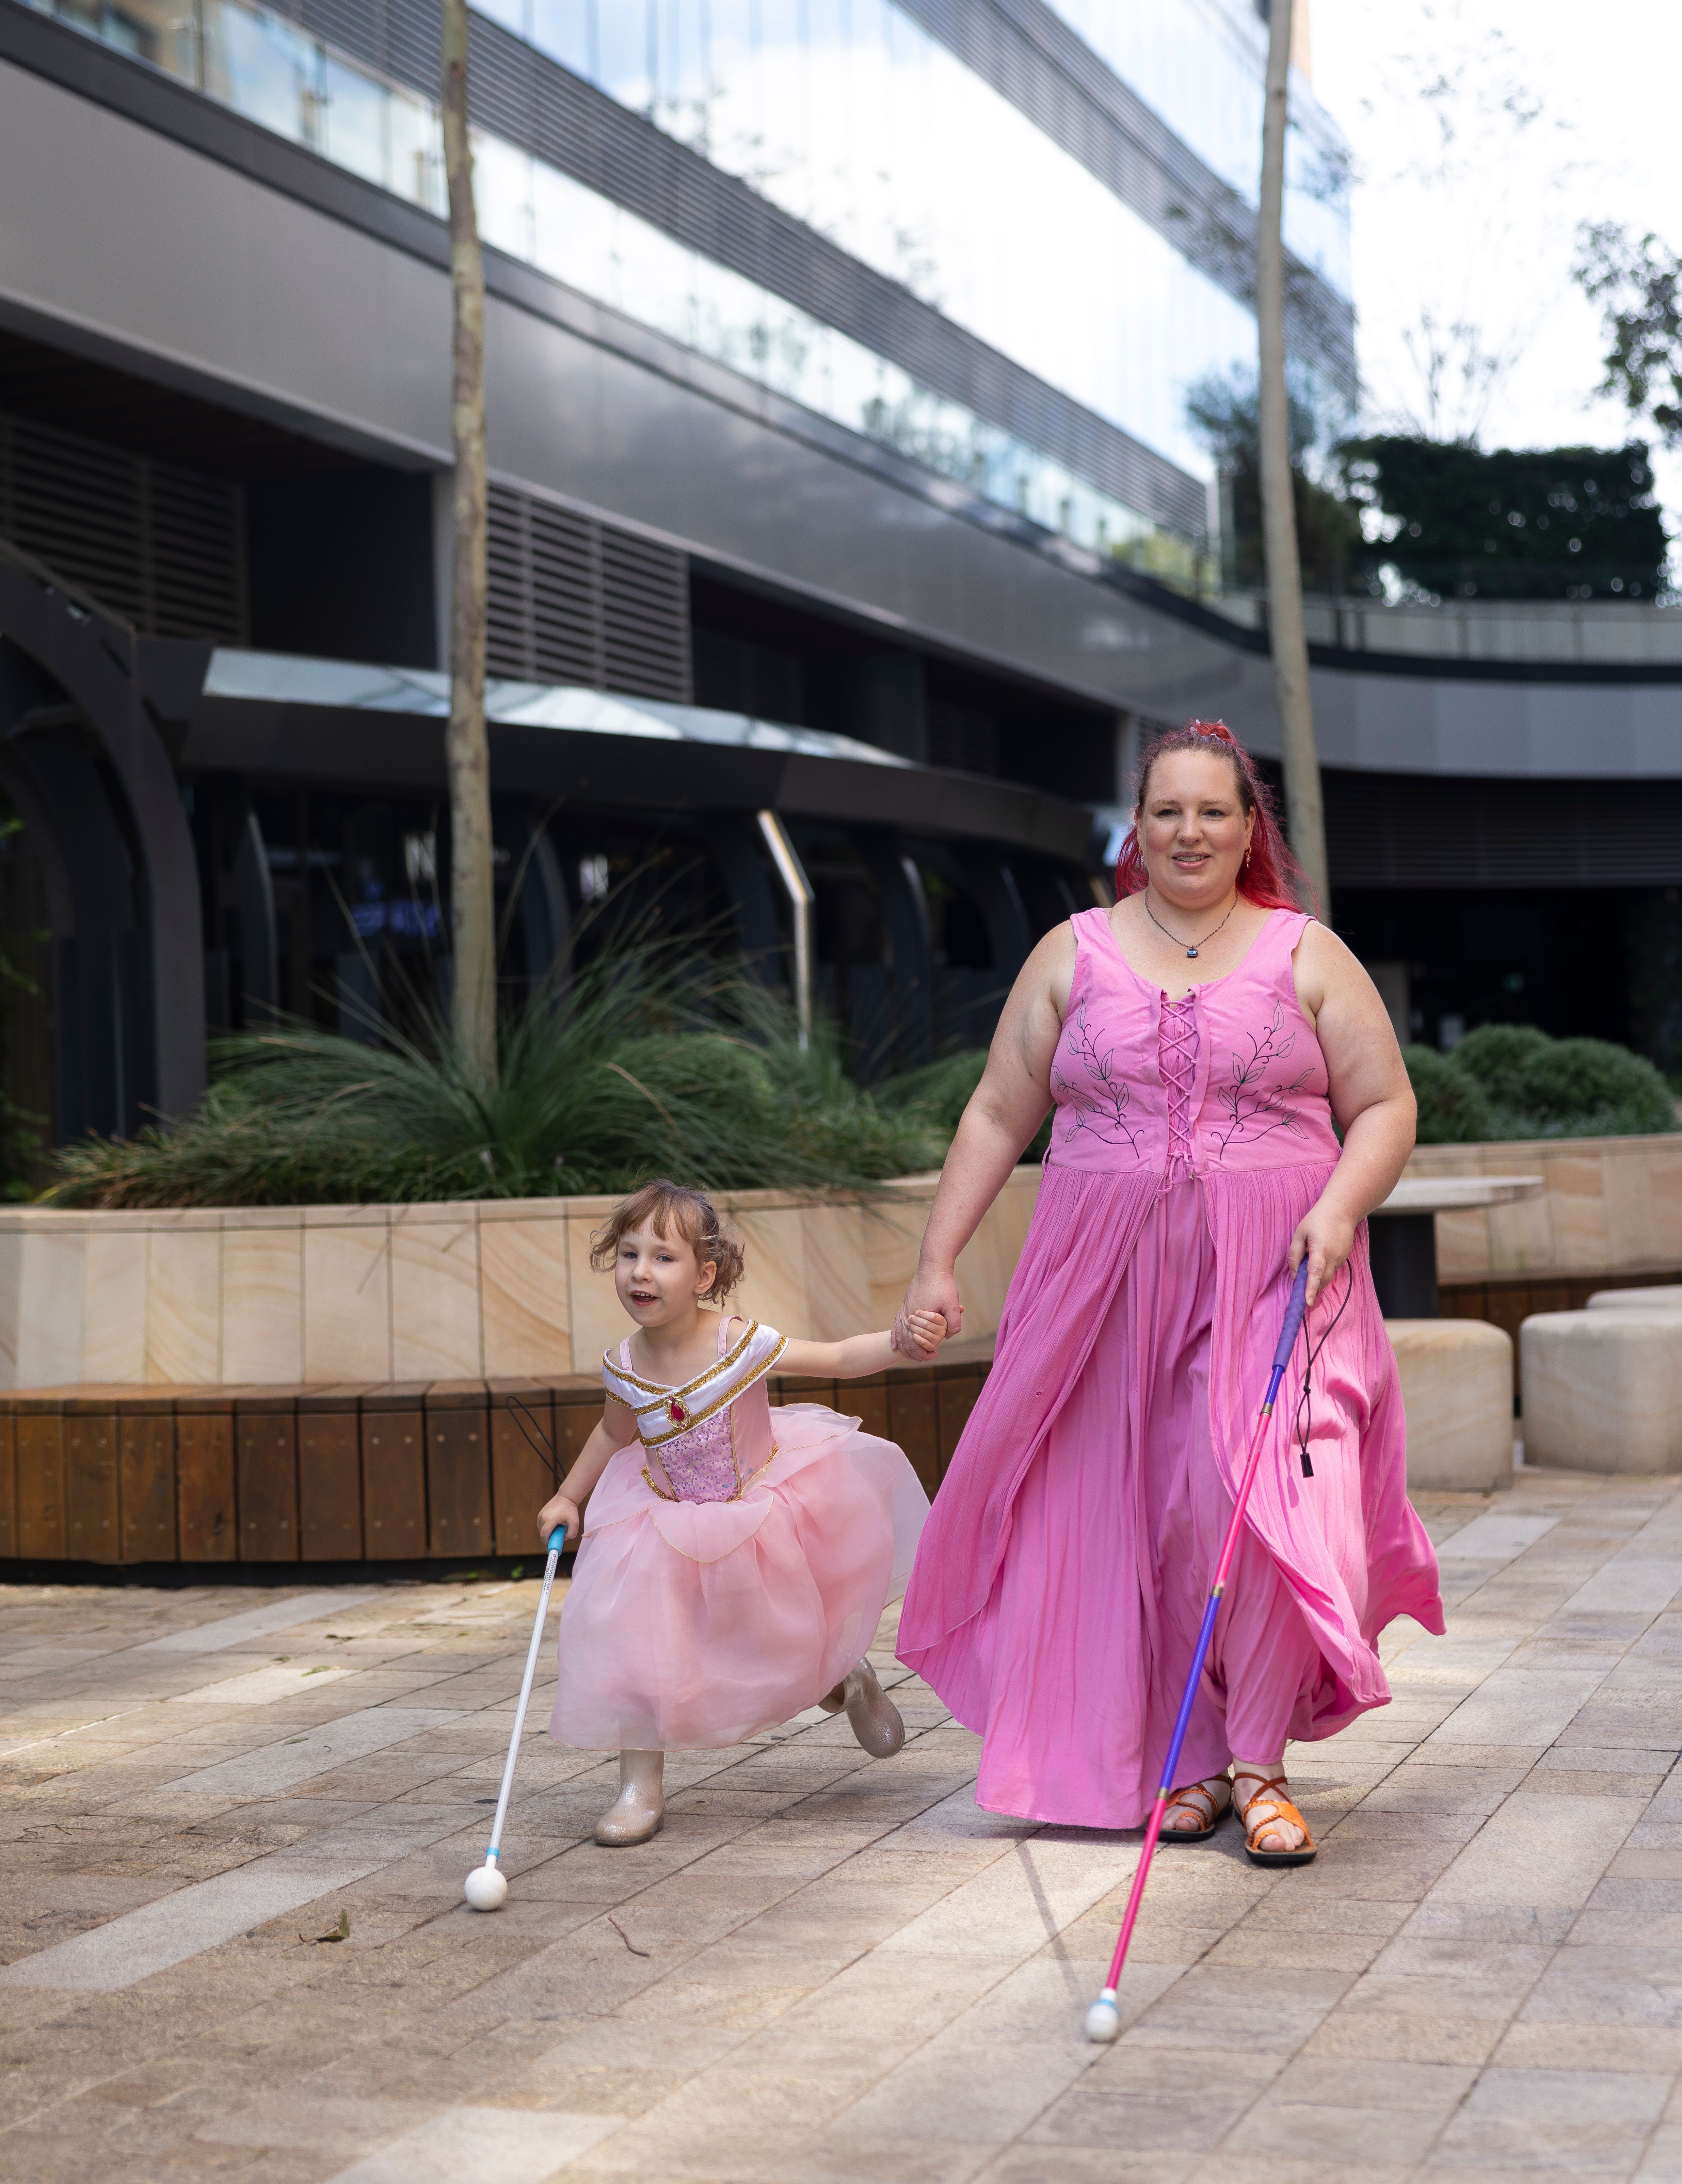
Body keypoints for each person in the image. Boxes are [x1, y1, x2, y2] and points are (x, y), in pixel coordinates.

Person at [892, 720, 1445, 1862]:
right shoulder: (1072, 951)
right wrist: (936, 1260)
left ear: (1247, 830)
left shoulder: (1304, 951)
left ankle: (1259, 1759)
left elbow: (1386, 1105)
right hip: (1100, 1278)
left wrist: (1340, 1207)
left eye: (1211, 811)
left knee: (1245, 1496)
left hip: (1276, 1266)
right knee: (1129, 1511)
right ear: (1136, 830)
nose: (1189, 831)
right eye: (1166, 811)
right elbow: (997, 1110)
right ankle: (1186, 1761)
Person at [538, 1178, 940, 1846]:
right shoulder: (623, 1363)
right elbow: (613, 1433)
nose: (640, 1272)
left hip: (754, 1518)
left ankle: (848, 1680)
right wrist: (567, 1496)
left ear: (704, 1275)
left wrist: (901, 1340)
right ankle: (639, 1786)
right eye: (629, 1254)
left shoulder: (738, 1343)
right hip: (662, 1524)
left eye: (663, 1258)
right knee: (636, 1646)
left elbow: (838, 1358)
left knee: (783, 1650)